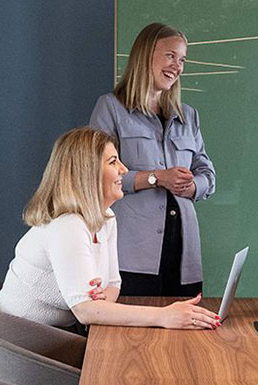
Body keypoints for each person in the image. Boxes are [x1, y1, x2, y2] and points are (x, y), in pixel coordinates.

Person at [0, 127, 220, 331]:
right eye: (113, 162)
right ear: (87, 172)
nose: (124, 169)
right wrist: (164, 316)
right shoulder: (68, 225)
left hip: (55, 336)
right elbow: (86, 312)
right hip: (20, 345)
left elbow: (113, 284)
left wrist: (97, 303)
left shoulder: (106, 218)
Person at [89, 23, 215, 297]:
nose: (177, 66)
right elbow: (97, 175)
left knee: (183, 335)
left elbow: (207, 173)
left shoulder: (188, 115)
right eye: (170, 56)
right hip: (132, 253)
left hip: (184, 254)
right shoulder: (110, 108)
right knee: (131, 336)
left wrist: (193, 186)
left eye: (182, 60)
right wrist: (157, 178)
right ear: (145, 55)